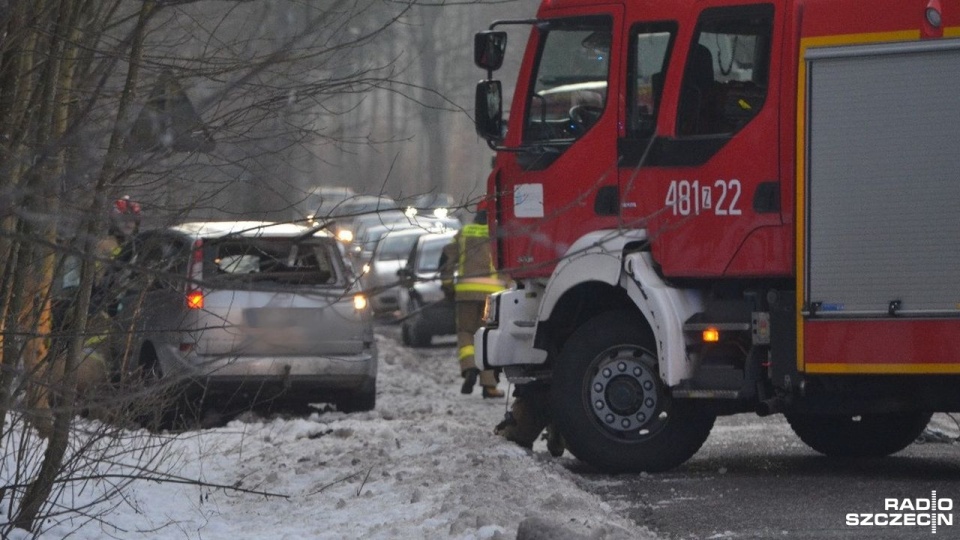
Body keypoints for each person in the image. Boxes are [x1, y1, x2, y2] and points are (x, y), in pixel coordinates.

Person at [440, 200, 506, 399]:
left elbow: (446, 261)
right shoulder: (499, 235)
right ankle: (489, 385)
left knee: (466, 332)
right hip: (492, 295)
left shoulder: (464, 233)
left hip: (466, 293)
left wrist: (448, 286)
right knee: (487, 337)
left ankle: (469, 368)